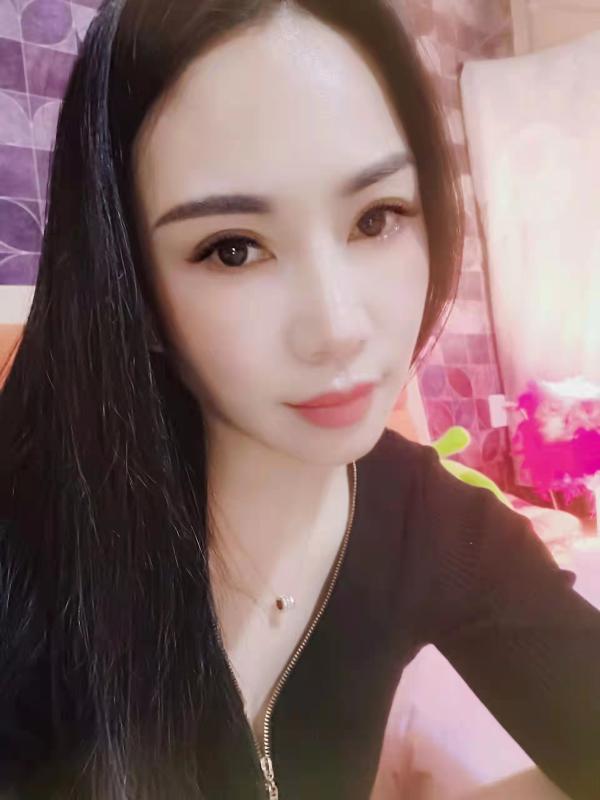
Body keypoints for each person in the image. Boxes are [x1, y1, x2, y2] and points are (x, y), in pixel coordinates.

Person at [1, 0, 599, 798]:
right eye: (233, 249)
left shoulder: (431, 519)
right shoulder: (30, 551)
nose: (339, 329)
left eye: (377, 218)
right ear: (130, 289)